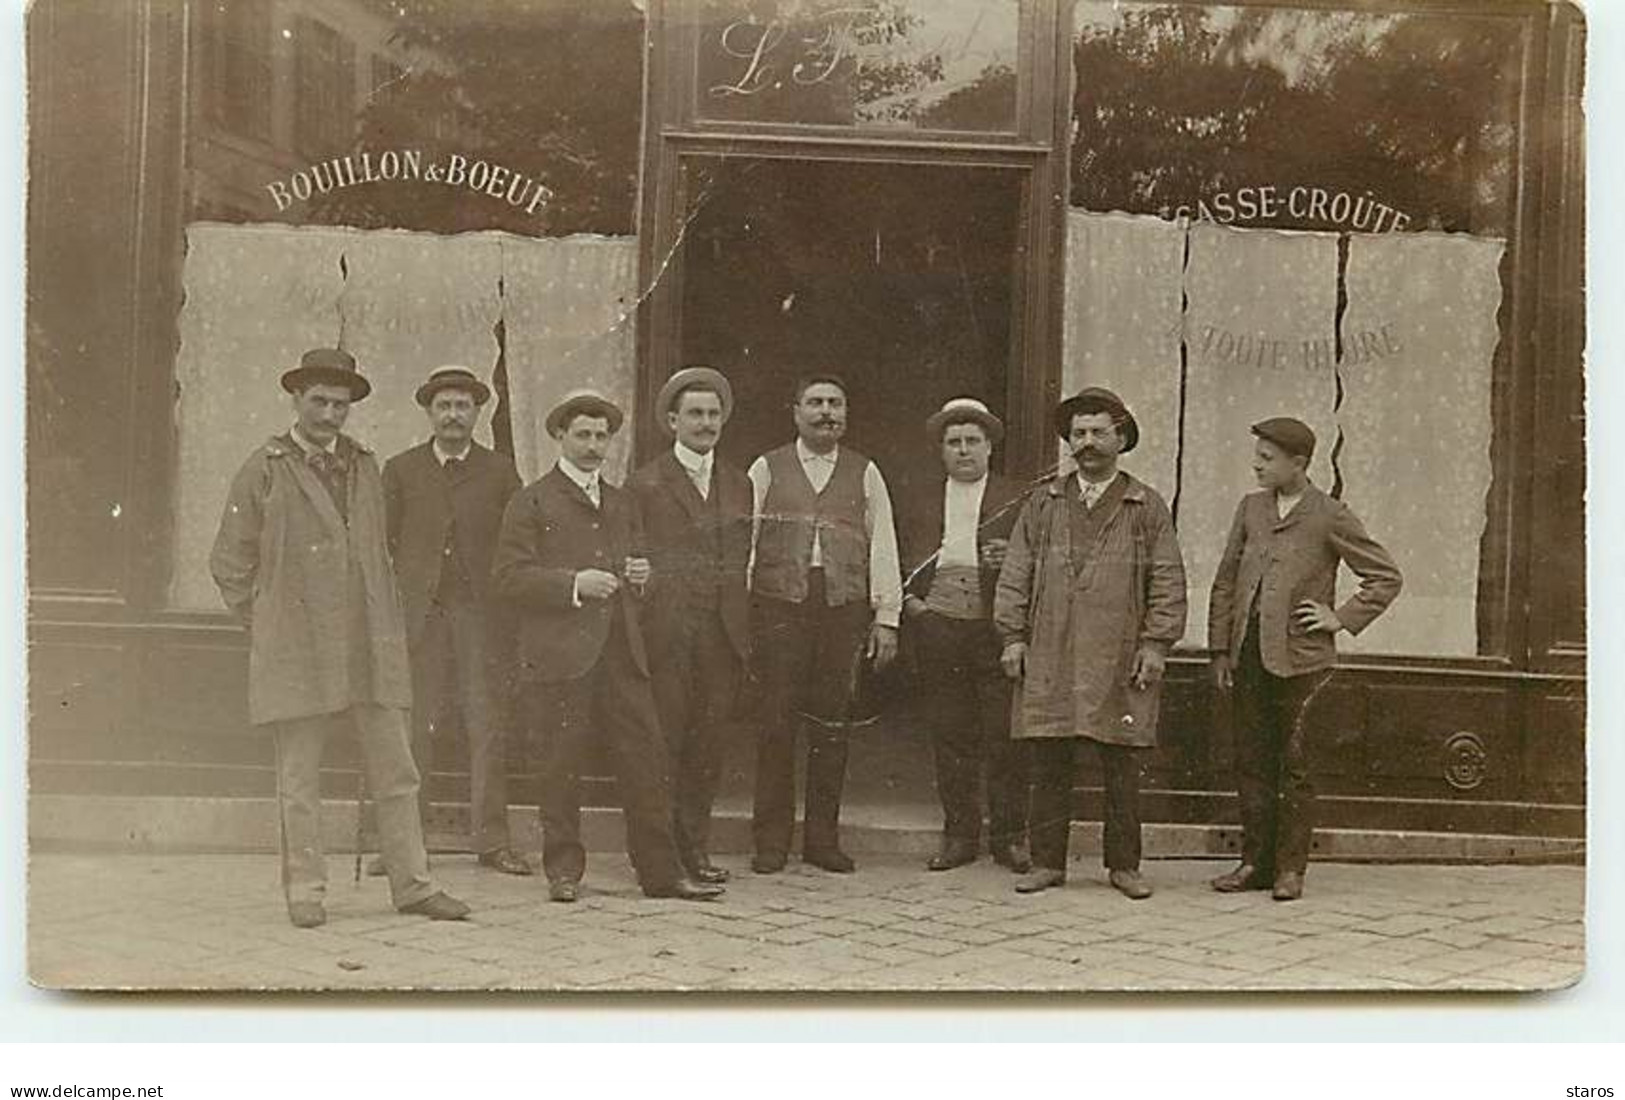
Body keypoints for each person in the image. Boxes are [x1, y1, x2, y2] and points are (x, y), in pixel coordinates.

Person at [209, 347, 471, 928]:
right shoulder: (265, 468)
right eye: (319, 402)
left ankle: (414, 885)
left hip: (370, 644)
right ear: (296, 401)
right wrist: (267, 622)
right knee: (299, 776)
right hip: (297, 647)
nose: (330, 415)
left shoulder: (364, 466)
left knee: (398, 772)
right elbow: (229, 561)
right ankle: (306, 890)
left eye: (340, 405)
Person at [492, 389, 724, 903]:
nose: (594, 446)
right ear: (559, 436)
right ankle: (564, 870)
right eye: (583, 435)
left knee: (646, 761)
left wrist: (643, 577)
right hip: (561, 656)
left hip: (623, 654)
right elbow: (508, 578)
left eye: (602, 436)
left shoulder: (622, 501)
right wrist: (574, 584)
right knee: (560, 764)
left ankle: (661, 874)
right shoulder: (531, 500)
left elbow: (637, 567)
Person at [994, 387, 1186, 900]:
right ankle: (1046, 863)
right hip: (1051, 647)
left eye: (1099, 432)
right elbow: (1016, 571)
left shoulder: (1144, 506)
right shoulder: (1044, 502)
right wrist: (1012, 636)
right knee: (1048, 756)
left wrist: (1157, 644)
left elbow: (1167, 579)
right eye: (1078, 433)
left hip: (1119, 652)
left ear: (1121, 438)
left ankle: (1124, 866)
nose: (1088, 443)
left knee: (1120, 761)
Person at [1207, 417, 1402, 901]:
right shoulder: (1250, 509)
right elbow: (1226, 581)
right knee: (1251, 761)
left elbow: (1385, 576)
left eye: (1267, 458)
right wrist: (1219, 650)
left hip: (1303, 663)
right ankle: (1254, 863)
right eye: (1256, 455)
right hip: (1248, 657)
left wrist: (1341, 617)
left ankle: (1290, 870)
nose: (1256, 464)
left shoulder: (1329, 514)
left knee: (1295, 765)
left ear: (1300, 463)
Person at [746, 374, 903, 874]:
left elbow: (884, 545)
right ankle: (770, 841)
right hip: (778, 607)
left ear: (846, 413)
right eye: (815, 403)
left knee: (832, 726)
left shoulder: (865, 472)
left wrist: (887, 618)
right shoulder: (766, 468)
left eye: (835, 403)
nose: (825, 412)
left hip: (841, 609)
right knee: (775, 724)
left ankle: (821, 840)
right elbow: (746, 543)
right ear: (795, 412)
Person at [379, 365, 528, 876]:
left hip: (481, 617)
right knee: (413, 727)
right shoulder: (400, 470)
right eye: (443, 406)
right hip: (421, 618)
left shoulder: (500, 472)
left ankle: (492, 841)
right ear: (428, 412)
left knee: (486, 726)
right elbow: (383, 546)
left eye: (462, 406)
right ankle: (403, 844)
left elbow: (518, 546)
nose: (452, 415)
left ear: (477, 412)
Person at [628, 367, 752, 885]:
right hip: (668, 635)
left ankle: (694, 849)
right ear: (672, 421)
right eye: (695, 414)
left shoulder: (738, 482)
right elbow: (635, 558)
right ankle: (657, 858)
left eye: (713, 413)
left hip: (720, 636)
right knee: (664, 745)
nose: (705, 423)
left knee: (707, 746)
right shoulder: (647, 483)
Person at [898, 397, 1032, 873]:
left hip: (994, 627)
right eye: (953, 443)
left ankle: (1009, 838)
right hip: (938, 625)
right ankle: (959, 836)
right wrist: (913, 607)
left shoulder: (1018, 497)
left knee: (1004, 735)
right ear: (941, 451)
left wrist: (1010, 558)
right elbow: (893, 554)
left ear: (989, 447)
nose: (963, 451)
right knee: (951, 733)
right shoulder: (920, 497)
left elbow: (1041, 558)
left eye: (972, 441)